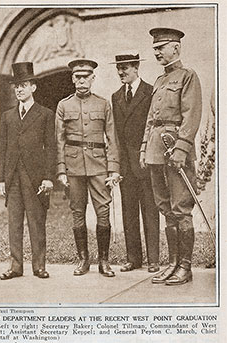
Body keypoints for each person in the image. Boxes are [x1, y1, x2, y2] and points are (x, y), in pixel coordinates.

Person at [140, 28, 202, 285]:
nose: (156, 52)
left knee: (181, 208)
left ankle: (185, 267)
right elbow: (151, 120)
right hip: (156, 150)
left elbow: (191, 115)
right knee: (165, 208)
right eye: (154, 48)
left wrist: (182, 149)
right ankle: (172, 263)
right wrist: (144, 148)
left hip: (175, 150)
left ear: (176, 48)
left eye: (161, 47)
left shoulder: (188, 77)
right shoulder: (158, 81)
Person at [55, 59, 120, 277]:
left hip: (99, 165)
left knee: (103, 212)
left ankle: (104, 260)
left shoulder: (103, 104)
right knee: (77, 212)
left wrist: (113, 169)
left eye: (86, 76)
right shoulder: (64, 105)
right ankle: (83, 260)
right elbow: (59, 141)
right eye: (77, 77)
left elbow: (112, 138)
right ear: (72, 79)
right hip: (73, 166)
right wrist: (61, 169)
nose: (82, 81)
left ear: (93, 78)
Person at [0, 62, 56, 280]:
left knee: (36, 221)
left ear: (33, 87)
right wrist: (1, 179)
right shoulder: (7, 116)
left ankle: (39, 266)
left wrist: (49, 178)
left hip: (35, 178)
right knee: (14, 222)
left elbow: (51, 148)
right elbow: (2, 148)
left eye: (23, 85)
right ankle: (15, 266)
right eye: (16, 86)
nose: (19, 89)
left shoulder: (45, 114)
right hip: (12, 177)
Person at [111, 52, 160, 273]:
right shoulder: (116, 96)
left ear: (136, 68)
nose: (121, 72)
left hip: (145, 161)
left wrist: (147, 155)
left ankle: (154, 259)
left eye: (126, 68)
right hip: (125, 165)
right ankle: (134, 258)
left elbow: (152, 127)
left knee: (150, 210)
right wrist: (117, 165)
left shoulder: (150, 92)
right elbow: (117, 135)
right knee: (128, 212)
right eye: (119, 68)